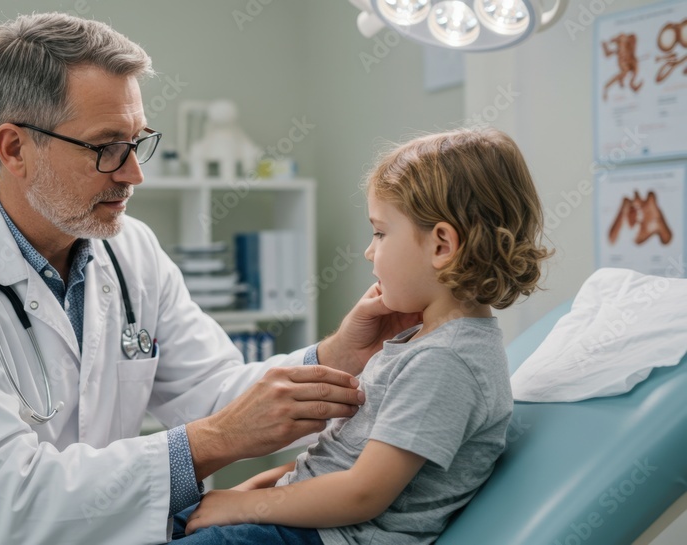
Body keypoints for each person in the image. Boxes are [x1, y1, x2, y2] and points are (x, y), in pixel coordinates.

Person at [0, 12, 386, 545]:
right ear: (15, 148)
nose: (134, 174)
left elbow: (214, 391)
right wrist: (216, 441)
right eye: (106, 148)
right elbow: (8, 498)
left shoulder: (131, 250)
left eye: (137, 141)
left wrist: (339, 355)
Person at [172, 128, 552, 544]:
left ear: (442, 245)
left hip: (331, 536)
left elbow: (362, 493)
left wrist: (245, 506)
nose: (369, 251)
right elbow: (339, 455)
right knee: (159, 524)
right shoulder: (421, 343)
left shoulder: (445, 362)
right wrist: (252, 491)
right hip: (297, 520)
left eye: (380, 233)